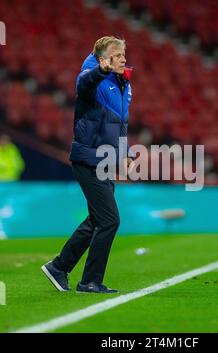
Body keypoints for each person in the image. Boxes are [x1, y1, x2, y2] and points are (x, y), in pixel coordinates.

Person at [42, 36, 134, 294]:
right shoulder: (92, 76)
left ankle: (59, 267)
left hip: (105, 160)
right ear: (103, 57)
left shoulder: (123, 82)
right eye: (118, 54)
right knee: (110, 220)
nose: (124, 58)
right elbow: (84, 84)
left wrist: (125, 154)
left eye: (124, 53)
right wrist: (100, 70)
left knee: (97, 219)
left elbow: (122, 123)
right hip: (88, 157)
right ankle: (90, 281)